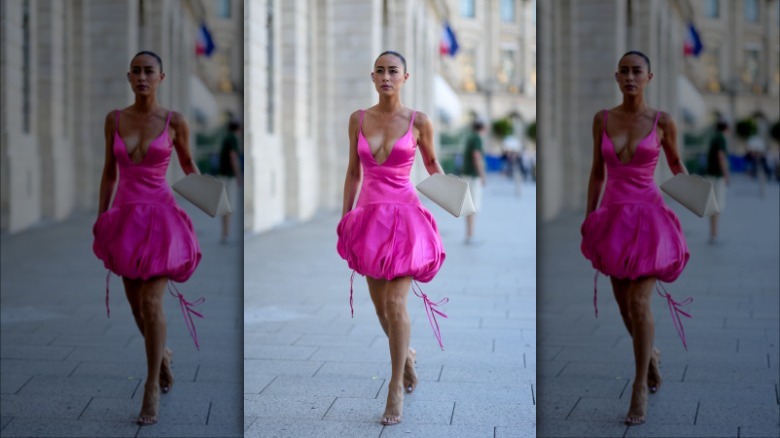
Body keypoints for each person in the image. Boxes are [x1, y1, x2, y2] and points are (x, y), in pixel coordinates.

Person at [580, 51, 691, 426]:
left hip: (649, 219)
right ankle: (652, 358)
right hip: (612, 219)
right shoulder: (602, 119)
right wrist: (589, 216)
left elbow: (675, 164)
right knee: (625, 309)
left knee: (640, 304)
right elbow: (597, 172)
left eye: (636, 71)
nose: (630, 77)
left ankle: (639, 385)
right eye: (624, 71)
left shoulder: (663, 121)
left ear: (649, 77)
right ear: (616, 77)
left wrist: (696, 193)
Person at [336, 50, 447, 426]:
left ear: (405, 77)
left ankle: (395, 385)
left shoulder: (419, 121)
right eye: (380, 71)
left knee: (397, 305)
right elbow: (353, 172)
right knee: (382, 310)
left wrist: (453, 194)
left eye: (393, 71)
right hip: (369, 221)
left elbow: (431, 164)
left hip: (405, 221)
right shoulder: (358, 119)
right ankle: (408, 359)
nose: (386, 76)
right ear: (373, 76)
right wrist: (345, 217)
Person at [92, 51, 202, 426]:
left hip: (161, 219)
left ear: (161, 77)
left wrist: (211, 199)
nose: (142, 77)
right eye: (136, 71)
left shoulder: (175, 121)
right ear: (129, 77)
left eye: (148, 71)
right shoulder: (114, 119)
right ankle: (164, 358)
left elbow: (187, 164)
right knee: (138, 309)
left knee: (152, 304)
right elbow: (109, 172)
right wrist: (101, 217)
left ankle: (151, 385)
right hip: (124, 220)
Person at [217, 118, 243, 243]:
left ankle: (225, 233)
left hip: (223, 175)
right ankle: (226, 234)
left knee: (224, 206)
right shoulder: (233, 139)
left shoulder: (226, 138)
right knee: (229, 206)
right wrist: (239, 176)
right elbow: (233, 157)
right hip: (229, 177)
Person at [462, 119, 487, 244]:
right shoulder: (477, 138)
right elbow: (476, 156)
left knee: (468, 206)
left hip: (467, 175)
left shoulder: (470, 137)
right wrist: (482, 175)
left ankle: (469, 234)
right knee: (472, 207)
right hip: (473, 176)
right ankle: (470, 236)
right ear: (483, 128)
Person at [705, 120, 730, 244]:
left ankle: (713, 234)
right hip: (717, 176)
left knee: (713, 206)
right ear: (727, 128)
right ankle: (714, 235)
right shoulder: (721, 138)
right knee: (717, 206)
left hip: (710, 175)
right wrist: (726, 175)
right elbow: (721, 156)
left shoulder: (714, 137)